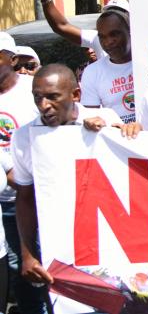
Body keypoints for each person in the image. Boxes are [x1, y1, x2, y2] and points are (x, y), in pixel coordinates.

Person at [12, 64, 137, 297]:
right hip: (62, 250)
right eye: (37, 97)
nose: (43, 105)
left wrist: (114, 131)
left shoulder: (106, 118)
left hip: (112, 244)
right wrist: (28, 255)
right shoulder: (24, 138)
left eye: (52, 97)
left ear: (76, 94)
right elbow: (25, 198)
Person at [0, 32, 44, 314]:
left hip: (36, 198)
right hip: (3, 204)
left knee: (45, 266)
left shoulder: (33, 90)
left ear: (13, 60)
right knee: (18, 270)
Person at [35, 0, 127, 61]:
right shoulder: (95, 38)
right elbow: (61, 26)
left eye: (120, 13)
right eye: (109, 13)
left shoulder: (135, 39)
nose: (109, 42)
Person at [79, 4, 135, 123]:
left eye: (114, 34)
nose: (108, 42)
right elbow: (91, 119)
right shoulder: (92, 72)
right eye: (102, 37)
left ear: (130, 31)